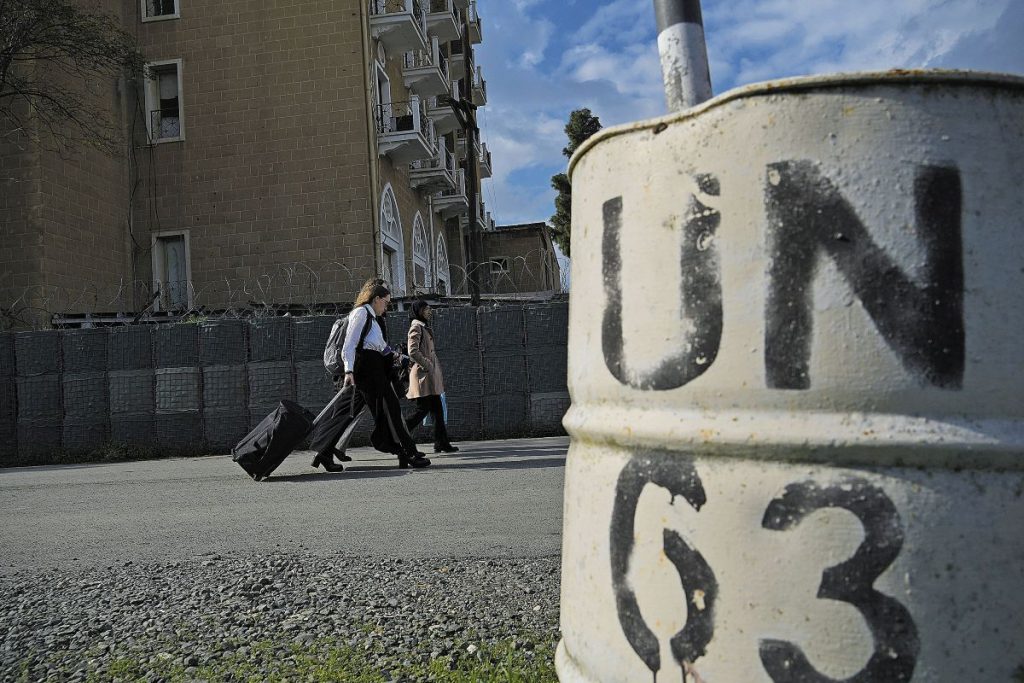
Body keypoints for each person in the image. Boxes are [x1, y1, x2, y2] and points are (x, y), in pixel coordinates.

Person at [341, 282, 430, 469]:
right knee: (389, 411)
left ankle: (403, 451)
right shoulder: (361, 314)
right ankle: (407, 452)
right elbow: (349, 344)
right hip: (367, 370)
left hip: (376, 369)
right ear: (376, 299)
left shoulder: (373, 318)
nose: (387, 306)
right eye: (386, 302)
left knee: (389, 412)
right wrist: (348, 371)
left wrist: (403, 359)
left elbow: (382, 347)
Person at [404, 300, 459, 453]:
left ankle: (441, 443)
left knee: (438, 411)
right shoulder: (416, 327)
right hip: (423, 375)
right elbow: (412, 351)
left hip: (428, 376)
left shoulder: (423, 327)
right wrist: (427, 364)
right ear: (418, 311)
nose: (429, 310)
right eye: (426, 308)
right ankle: (398, 434)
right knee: (421, 410)